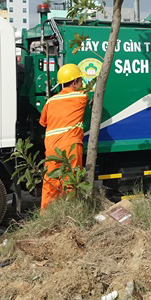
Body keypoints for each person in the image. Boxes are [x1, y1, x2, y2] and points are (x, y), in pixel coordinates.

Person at [39, 63, 88, 210]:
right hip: (70, 145)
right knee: (71, 180)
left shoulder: (50, 101)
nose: (81, 83)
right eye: (80, 80)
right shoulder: (81, 97)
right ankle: (71, 212)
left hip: (53, 148)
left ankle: (47, 215)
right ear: (74, 83)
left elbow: (43, 122)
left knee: (51, 182)